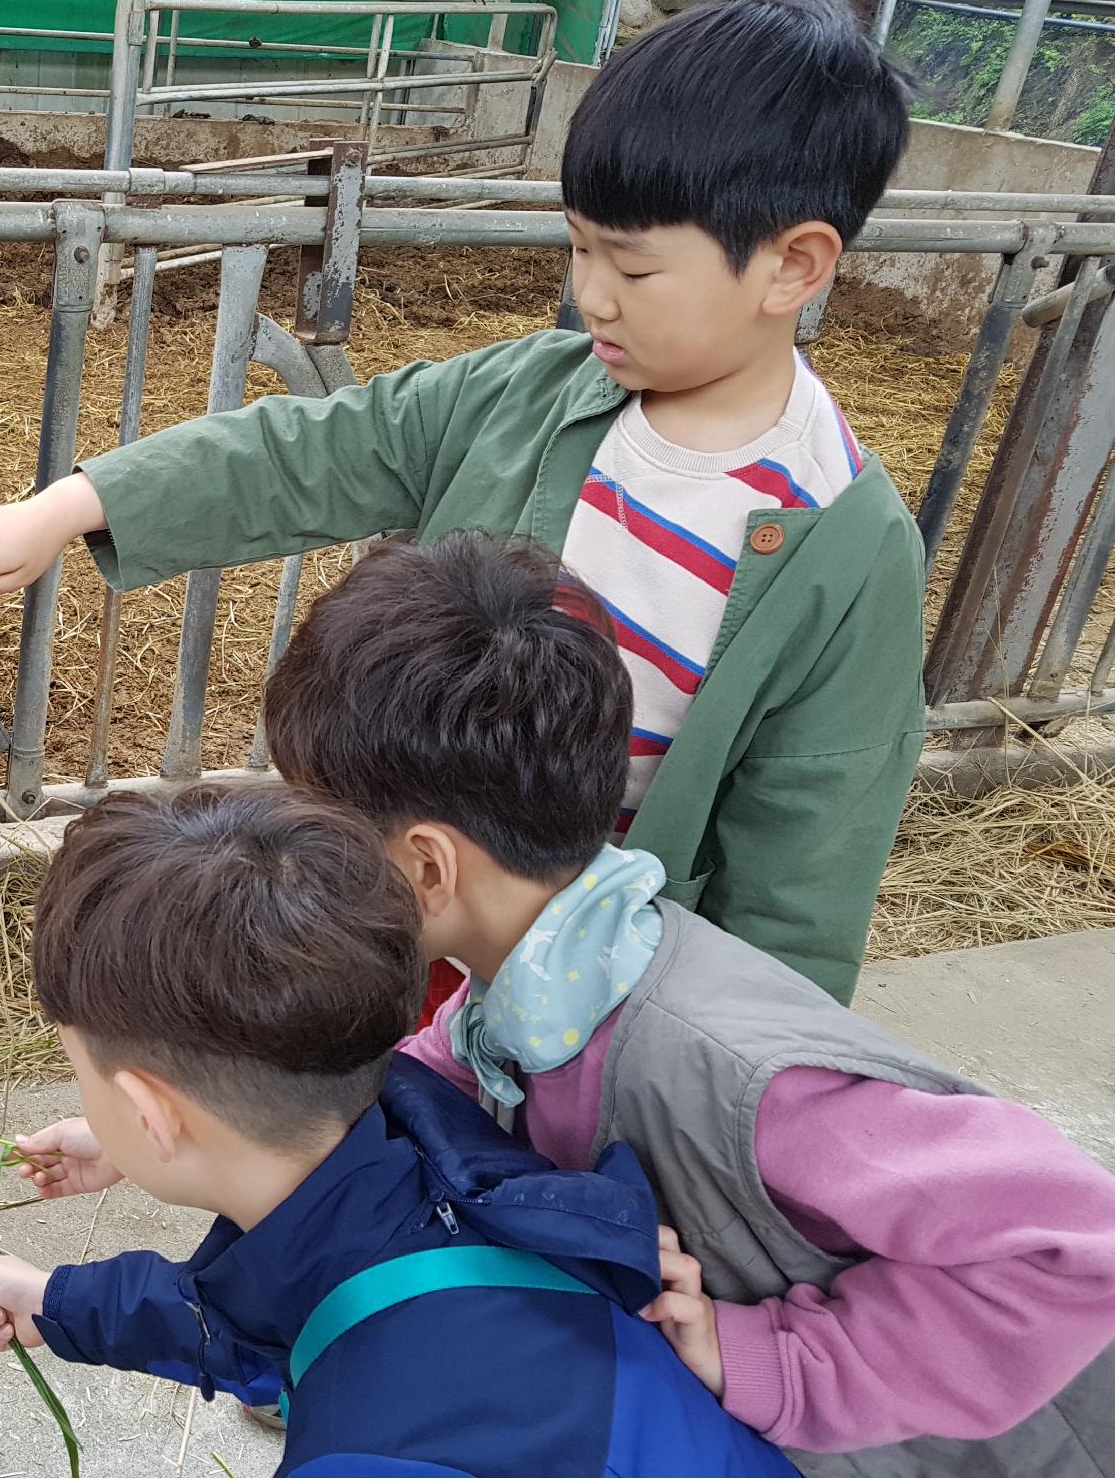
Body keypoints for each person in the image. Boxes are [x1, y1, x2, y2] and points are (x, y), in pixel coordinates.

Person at [0, 0, 924, 1006]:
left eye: (630, 265)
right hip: (404, 906)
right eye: (579, 247)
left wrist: (750, 1077)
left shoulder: (842, 550)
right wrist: (78, 501)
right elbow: (317, 449)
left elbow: (807, 858)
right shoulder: (523, 391)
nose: (590, 293)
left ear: (792, 266)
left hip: (605, 978)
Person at [237, 533, 1110, 1474]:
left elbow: (1072, 1247)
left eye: (323, 836)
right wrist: (215, 1108)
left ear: (427, 865)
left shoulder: (732, 1070)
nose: (312, 866)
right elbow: (438, 1077)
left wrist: (774, 1358)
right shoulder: (535, 977)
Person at [0, 780, 793, 1478]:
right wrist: (62, 1305)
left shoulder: (371, 1459)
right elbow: (284, 1300)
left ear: (148, 1115)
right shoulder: (447, 1153)